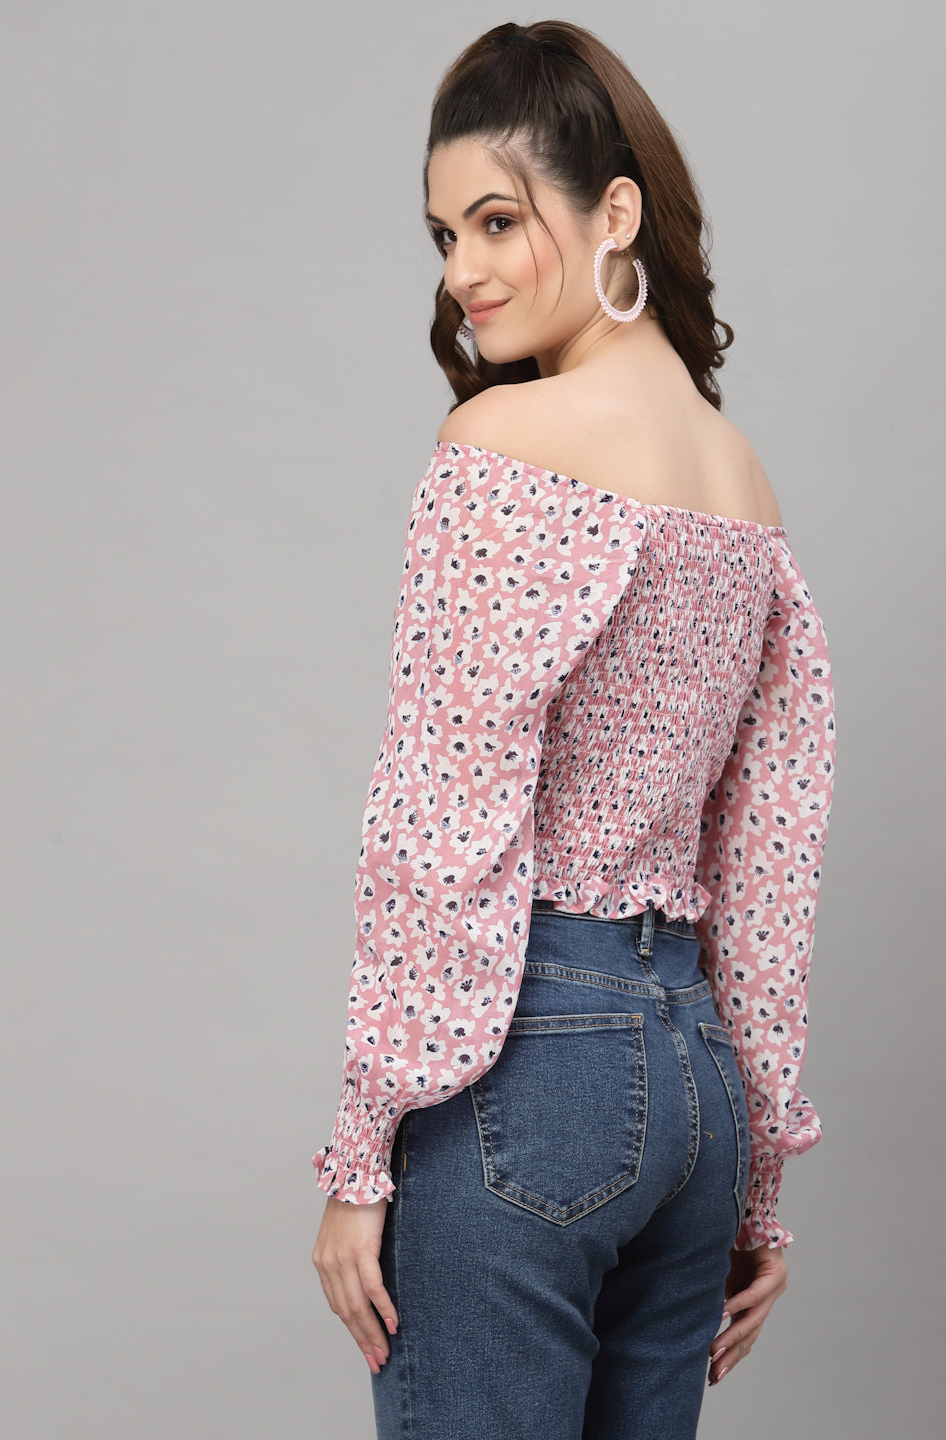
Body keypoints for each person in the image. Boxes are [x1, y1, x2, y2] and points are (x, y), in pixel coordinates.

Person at [310, 19, 836, 1440]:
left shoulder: (503, 450)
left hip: (527, 1068)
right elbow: (769, 865)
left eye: (497, 221)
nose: (461, 272)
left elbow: (440, 824)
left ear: (615, 212)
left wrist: (361, 1153)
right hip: (696, 1090)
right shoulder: (744, 486)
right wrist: (757, 1183)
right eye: (444, 235)